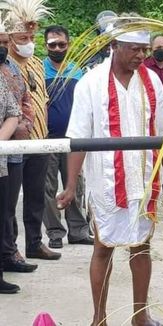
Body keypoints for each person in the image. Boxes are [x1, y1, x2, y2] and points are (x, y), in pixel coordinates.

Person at [56, 15, 163, 326]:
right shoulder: (90, 83)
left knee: (141, 247)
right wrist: (70, 187)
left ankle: (140, 316)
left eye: (144, 50)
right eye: (134, 49)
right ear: (114, 46)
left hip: (145, 178)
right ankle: (99, 317)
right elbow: (78, 139)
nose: (141, 56)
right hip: (106, 182)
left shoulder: (153, 82)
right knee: (103, 247)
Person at [3, 0, 61, 261]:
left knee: (36, 196)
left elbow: (42, 99)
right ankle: (10, 248)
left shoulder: (37, 63)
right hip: (14, 143)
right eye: (22, 37)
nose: (28, 41)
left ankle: (35, 243)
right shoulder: (6, 66)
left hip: (40, 140)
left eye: (31, 36)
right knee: (9, 201)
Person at [42, 25, 93, 249]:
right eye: (52, 45)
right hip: (46, 139)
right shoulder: (38, 70)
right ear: (45, 46)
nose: (57, 48)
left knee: (75, 184)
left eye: (61, 44)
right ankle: (54, 232)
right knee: (48, 186)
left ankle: (78, 230)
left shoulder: (77, 72)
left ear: (68, 44)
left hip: (73, 139)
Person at [0, 16, 38, 273]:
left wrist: (17, 128)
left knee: (7, 208)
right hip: (7, 147)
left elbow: (20, 104)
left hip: (10, 149)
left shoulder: (10, 69)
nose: (3, 47)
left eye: (4, 42)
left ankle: (8, 254)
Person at [0, 15, 22, 294]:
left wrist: (0, 140)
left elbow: (13, 113)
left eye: (6, 42)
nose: (3, 47)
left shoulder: (2, 79)